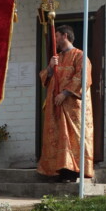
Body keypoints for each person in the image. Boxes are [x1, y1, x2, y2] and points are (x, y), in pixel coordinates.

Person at [38, 25, 94, 181]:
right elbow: (45, 78)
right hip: (56, 105)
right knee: (57, 136)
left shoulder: (80, 56)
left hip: (71, 107)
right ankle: (58, 170)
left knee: (71, 137)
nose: (54, 40)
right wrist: (50, 67)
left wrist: (65, 93)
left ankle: (73, 171)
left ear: (64, 36)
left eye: (56, 36)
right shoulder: (57, 57)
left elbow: (82, 78)